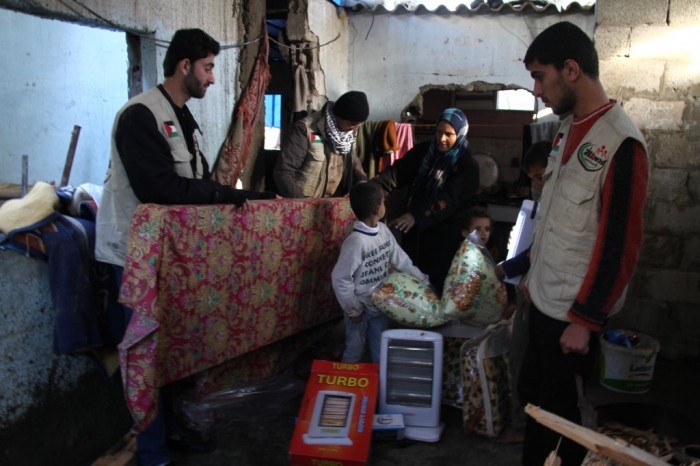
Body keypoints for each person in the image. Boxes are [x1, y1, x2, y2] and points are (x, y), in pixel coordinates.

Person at [95, 28, 275, 466]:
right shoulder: (140, 116)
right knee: (148, 356)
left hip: (170, 256)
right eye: (208, 68)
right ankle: (153, 452)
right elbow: (161, 189)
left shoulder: (182, 119)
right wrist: (229, 196)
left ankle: (174, 428)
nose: (212, 78)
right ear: (184, 66)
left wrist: (248, 198)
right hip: (134, 259)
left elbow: (196, 183)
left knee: (175, 350)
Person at [518, 22, 649, 466]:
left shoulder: (622, 143)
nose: (536, 90)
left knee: (562, 423)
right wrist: (531, 275)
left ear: (571, 70)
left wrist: (586, 320)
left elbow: (620, 244)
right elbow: (554, 217)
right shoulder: (566, 128)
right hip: (544, 298)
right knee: (533, 401)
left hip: (570, 316)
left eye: (540, 77)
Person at [373, 108, 479, 296]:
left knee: (436, 285)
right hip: (415, 234)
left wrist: (416, 215)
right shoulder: (424, 151)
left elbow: (449, 199)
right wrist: (376, 190)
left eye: (449, 134)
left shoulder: (466, 166)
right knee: (412, 283)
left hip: (445, 238)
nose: (442, 139)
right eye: (439, 132)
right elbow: (398, 172)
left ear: (460, 134)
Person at [331, 181, 430, 363]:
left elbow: (400, 259)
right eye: (384, 201)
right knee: (354, 349)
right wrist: (353, 310)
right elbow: (340, 278)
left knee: (381, 348)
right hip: (359, 309)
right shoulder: (356, 241)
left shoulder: (383, 231)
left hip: (380, 305)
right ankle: (347, 378)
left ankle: (377, 379)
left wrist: (421, 279)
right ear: (377, 209)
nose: (386, 204)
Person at [273, 91, 370, 198]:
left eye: (359, 125)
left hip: (333, 202)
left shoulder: (349, 131)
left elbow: (353, 159)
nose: (355, 129)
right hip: (307, 201)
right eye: (352, 124)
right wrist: (303, 204)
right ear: (338, 116)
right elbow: (283, 173)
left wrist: (362, 183)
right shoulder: (306, 130)